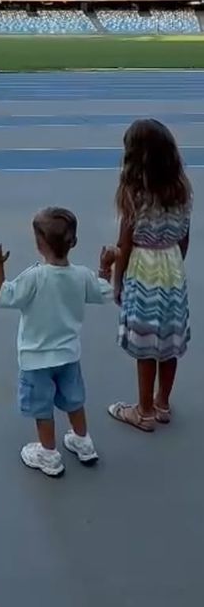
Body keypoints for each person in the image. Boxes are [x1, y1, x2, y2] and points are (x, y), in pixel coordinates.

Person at [0, 207, 112, 477]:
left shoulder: (34, 277)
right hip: (68, 355)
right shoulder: (81, 275)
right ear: (73, 243)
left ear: (38, 244)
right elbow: (104, 291)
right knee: (74, 400)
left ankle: (49, 454)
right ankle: (83, 441)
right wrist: (105, 267)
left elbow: (3, 296)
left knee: (42, 408)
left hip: (36, 359)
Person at [101, 119, 192, 431]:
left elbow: (125, 244)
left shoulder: (132, 193)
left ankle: (143, 411)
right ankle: (163, 403)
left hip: (143, 268)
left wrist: (117, 280)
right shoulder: (182, 188)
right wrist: (176, 265)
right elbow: (185, 238)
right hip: (172, 266)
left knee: (145, 343)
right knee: (168, 339)